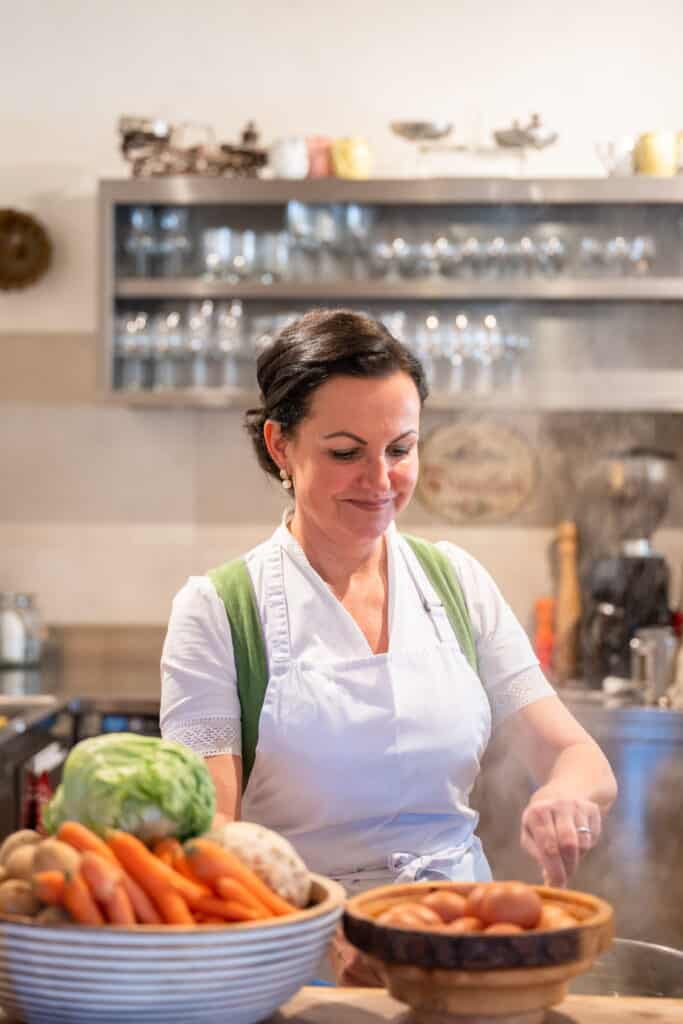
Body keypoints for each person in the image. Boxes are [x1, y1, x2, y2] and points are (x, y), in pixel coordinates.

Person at [160, 308, 617, 983]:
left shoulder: (455, 582)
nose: (380, 480)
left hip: (460, 941)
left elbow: (577, 754)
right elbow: (206, 837)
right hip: (299, 952)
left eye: (400, 449)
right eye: (345, 452)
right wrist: (314, 926)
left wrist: (567, 794)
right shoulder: (219, 610)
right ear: (280, 446)